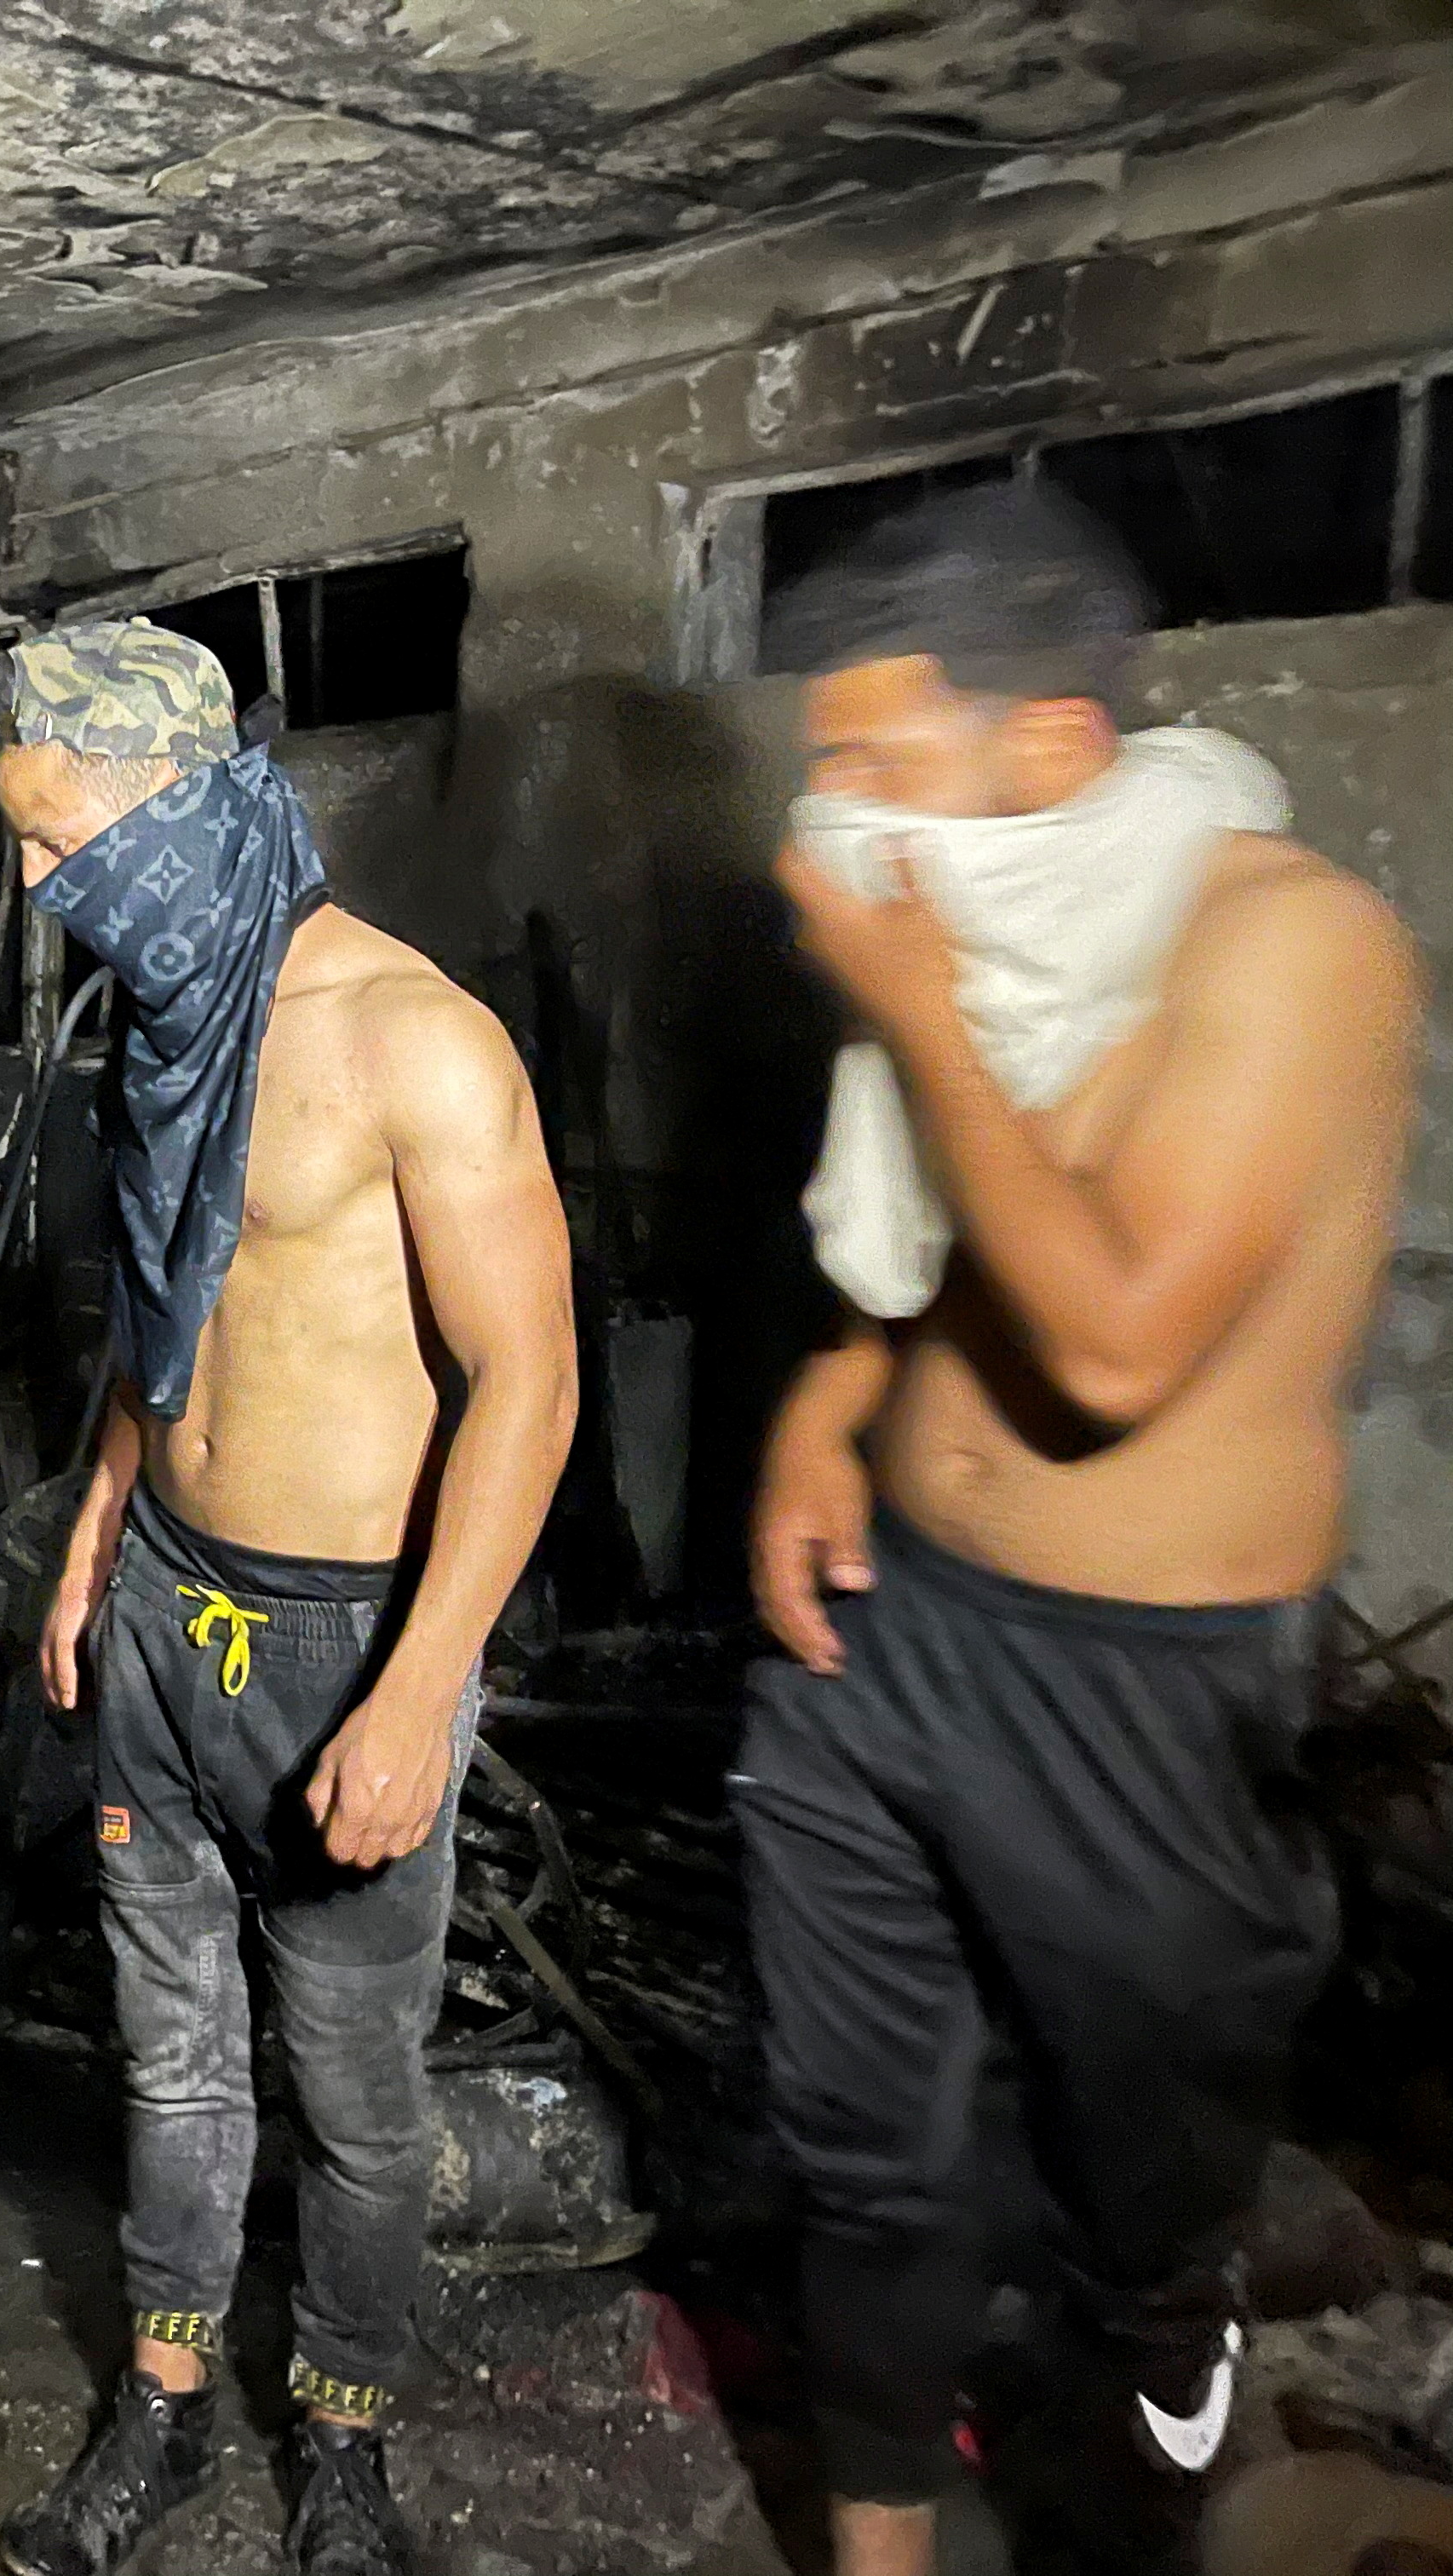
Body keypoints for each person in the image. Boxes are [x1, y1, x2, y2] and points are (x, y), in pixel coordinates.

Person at [739, 481, 1423, 2574]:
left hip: (1140, 1684)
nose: (833, 815)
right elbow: (959, 1233)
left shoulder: (1290, 942)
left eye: (877, 757)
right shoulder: (1034, 913)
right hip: (892, 1632)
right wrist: (831, 1406)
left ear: (1044, 747)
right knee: (862, 2154)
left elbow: (1117, 1341)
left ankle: (1143, 2451)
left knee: (1143, 2198)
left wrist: (910, 996)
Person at [0, 621, 577, 2576]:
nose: (37, 887)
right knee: (166, 2058)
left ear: (178, 812)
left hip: (344, 1645)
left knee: (351, 2083)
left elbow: (533, 1386)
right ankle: (157, 2408)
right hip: (167, 1607)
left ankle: (342, 2430)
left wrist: (419, 1696)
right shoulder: (174, 1016)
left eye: (59, 844)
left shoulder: (419, 1042)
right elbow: (175, 1315)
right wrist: (95, 1534)